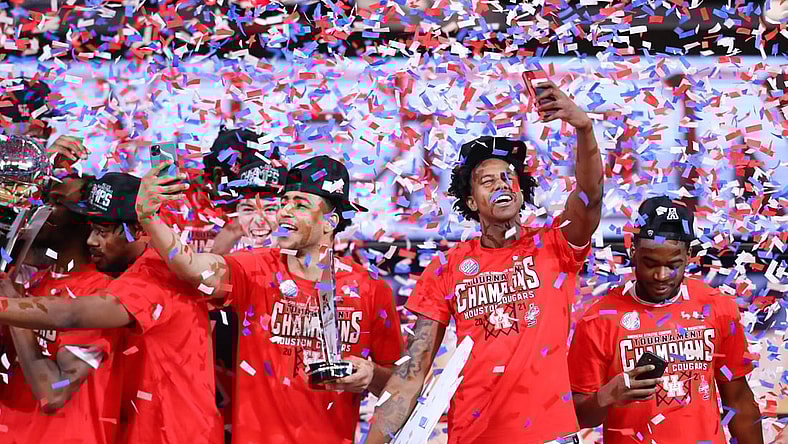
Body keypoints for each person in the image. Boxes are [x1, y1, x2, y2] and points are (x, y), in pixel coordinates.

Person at [366, 81, 604, 444]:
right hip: (474, 436)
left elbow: (589, 198)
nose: (500, 184)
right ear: (472, 202)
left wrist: (584, 129)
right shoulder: (447, 267)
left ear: (521, 191)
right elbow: (413, 370)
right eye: (486, 180)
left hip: (550, 437)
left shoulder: (554, 245)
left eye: (508, 177)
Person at [136, 154, 404, 443]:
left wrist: (370, 374)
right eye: (284, 201)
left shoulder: (371, 290)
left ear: (330, 222)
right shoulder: (253, 269)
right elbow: (192, 268)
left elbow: (399, 385)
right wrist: (148, 217)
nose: (284, 212)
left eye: (299, 204)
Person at [0, 170, 223, 444]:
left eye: (103, 231)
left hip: (175, 434)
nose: (91, 240)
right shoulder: (124, 273)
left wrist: (8, 305)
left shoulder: (158, 275)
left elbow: (71, 314)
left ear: (140, 231)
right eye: (92, 229)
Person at [568, 196, 763, 444]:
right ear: (633, 251)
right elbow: (578, 415)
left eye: (673, 265)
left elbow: (739, 402)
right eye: (650, 264)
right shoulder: (598, 320)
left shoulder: (717, 307)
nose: (661, 276)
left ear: (689, 255)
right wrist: (605, 397)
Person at [0, 170, 123, 444]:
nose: (38, 209)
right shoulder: (31, 281)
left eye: (54, 201)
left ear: (83, 223)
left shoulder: (100, 295)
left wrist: (13, 306)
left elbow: (53, 392)